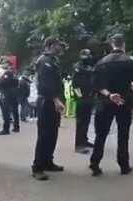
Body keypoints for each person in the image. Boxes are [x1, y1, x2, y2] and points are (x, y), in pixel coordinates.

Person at [89, 34, 133, 176]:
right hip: (124, 101)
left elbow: (94, 84)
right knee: (123, 134)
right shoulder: (130, 62)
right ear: (123, 45)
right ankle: (124, 165)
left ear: (112, 44)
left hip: (105, 101)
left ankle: (95, 163)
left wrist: (109, 94)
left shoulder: (101, 62)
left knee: (100, 134)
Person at [32, 37, 66, 181]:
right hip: (47, 101)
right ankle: (37, 167)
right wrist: (56, 100)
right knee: (44, 135)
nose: (61, 47)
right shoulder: (44, 61)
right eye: (59, 45)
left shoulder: (52, 61)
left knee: (52, 134)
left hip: (52, 102)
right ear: (50, 45)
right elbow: (46, 85)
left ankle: (48, 162)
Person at [72, 49, 95, 154]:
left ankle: (84, 140)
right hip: (81, 98)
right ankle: (78, 145)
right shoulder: (77, 67)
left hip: (89, 97)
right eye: (87, 55)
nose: (89, 57)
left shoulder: (89, 67)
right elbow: (75, 84)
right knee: (80, 122)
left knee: (86, 121)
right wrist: (80, 97)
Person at [0, 62, 20, 135]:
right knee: (15, 111)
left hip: (6, 94)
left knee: (5, 112)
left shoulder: (7, 73)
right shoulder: (15, 74)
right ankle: (16, 127)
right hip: (14, 94)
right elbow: (16, 83)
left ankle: (6, 129)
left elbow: (1, 82)